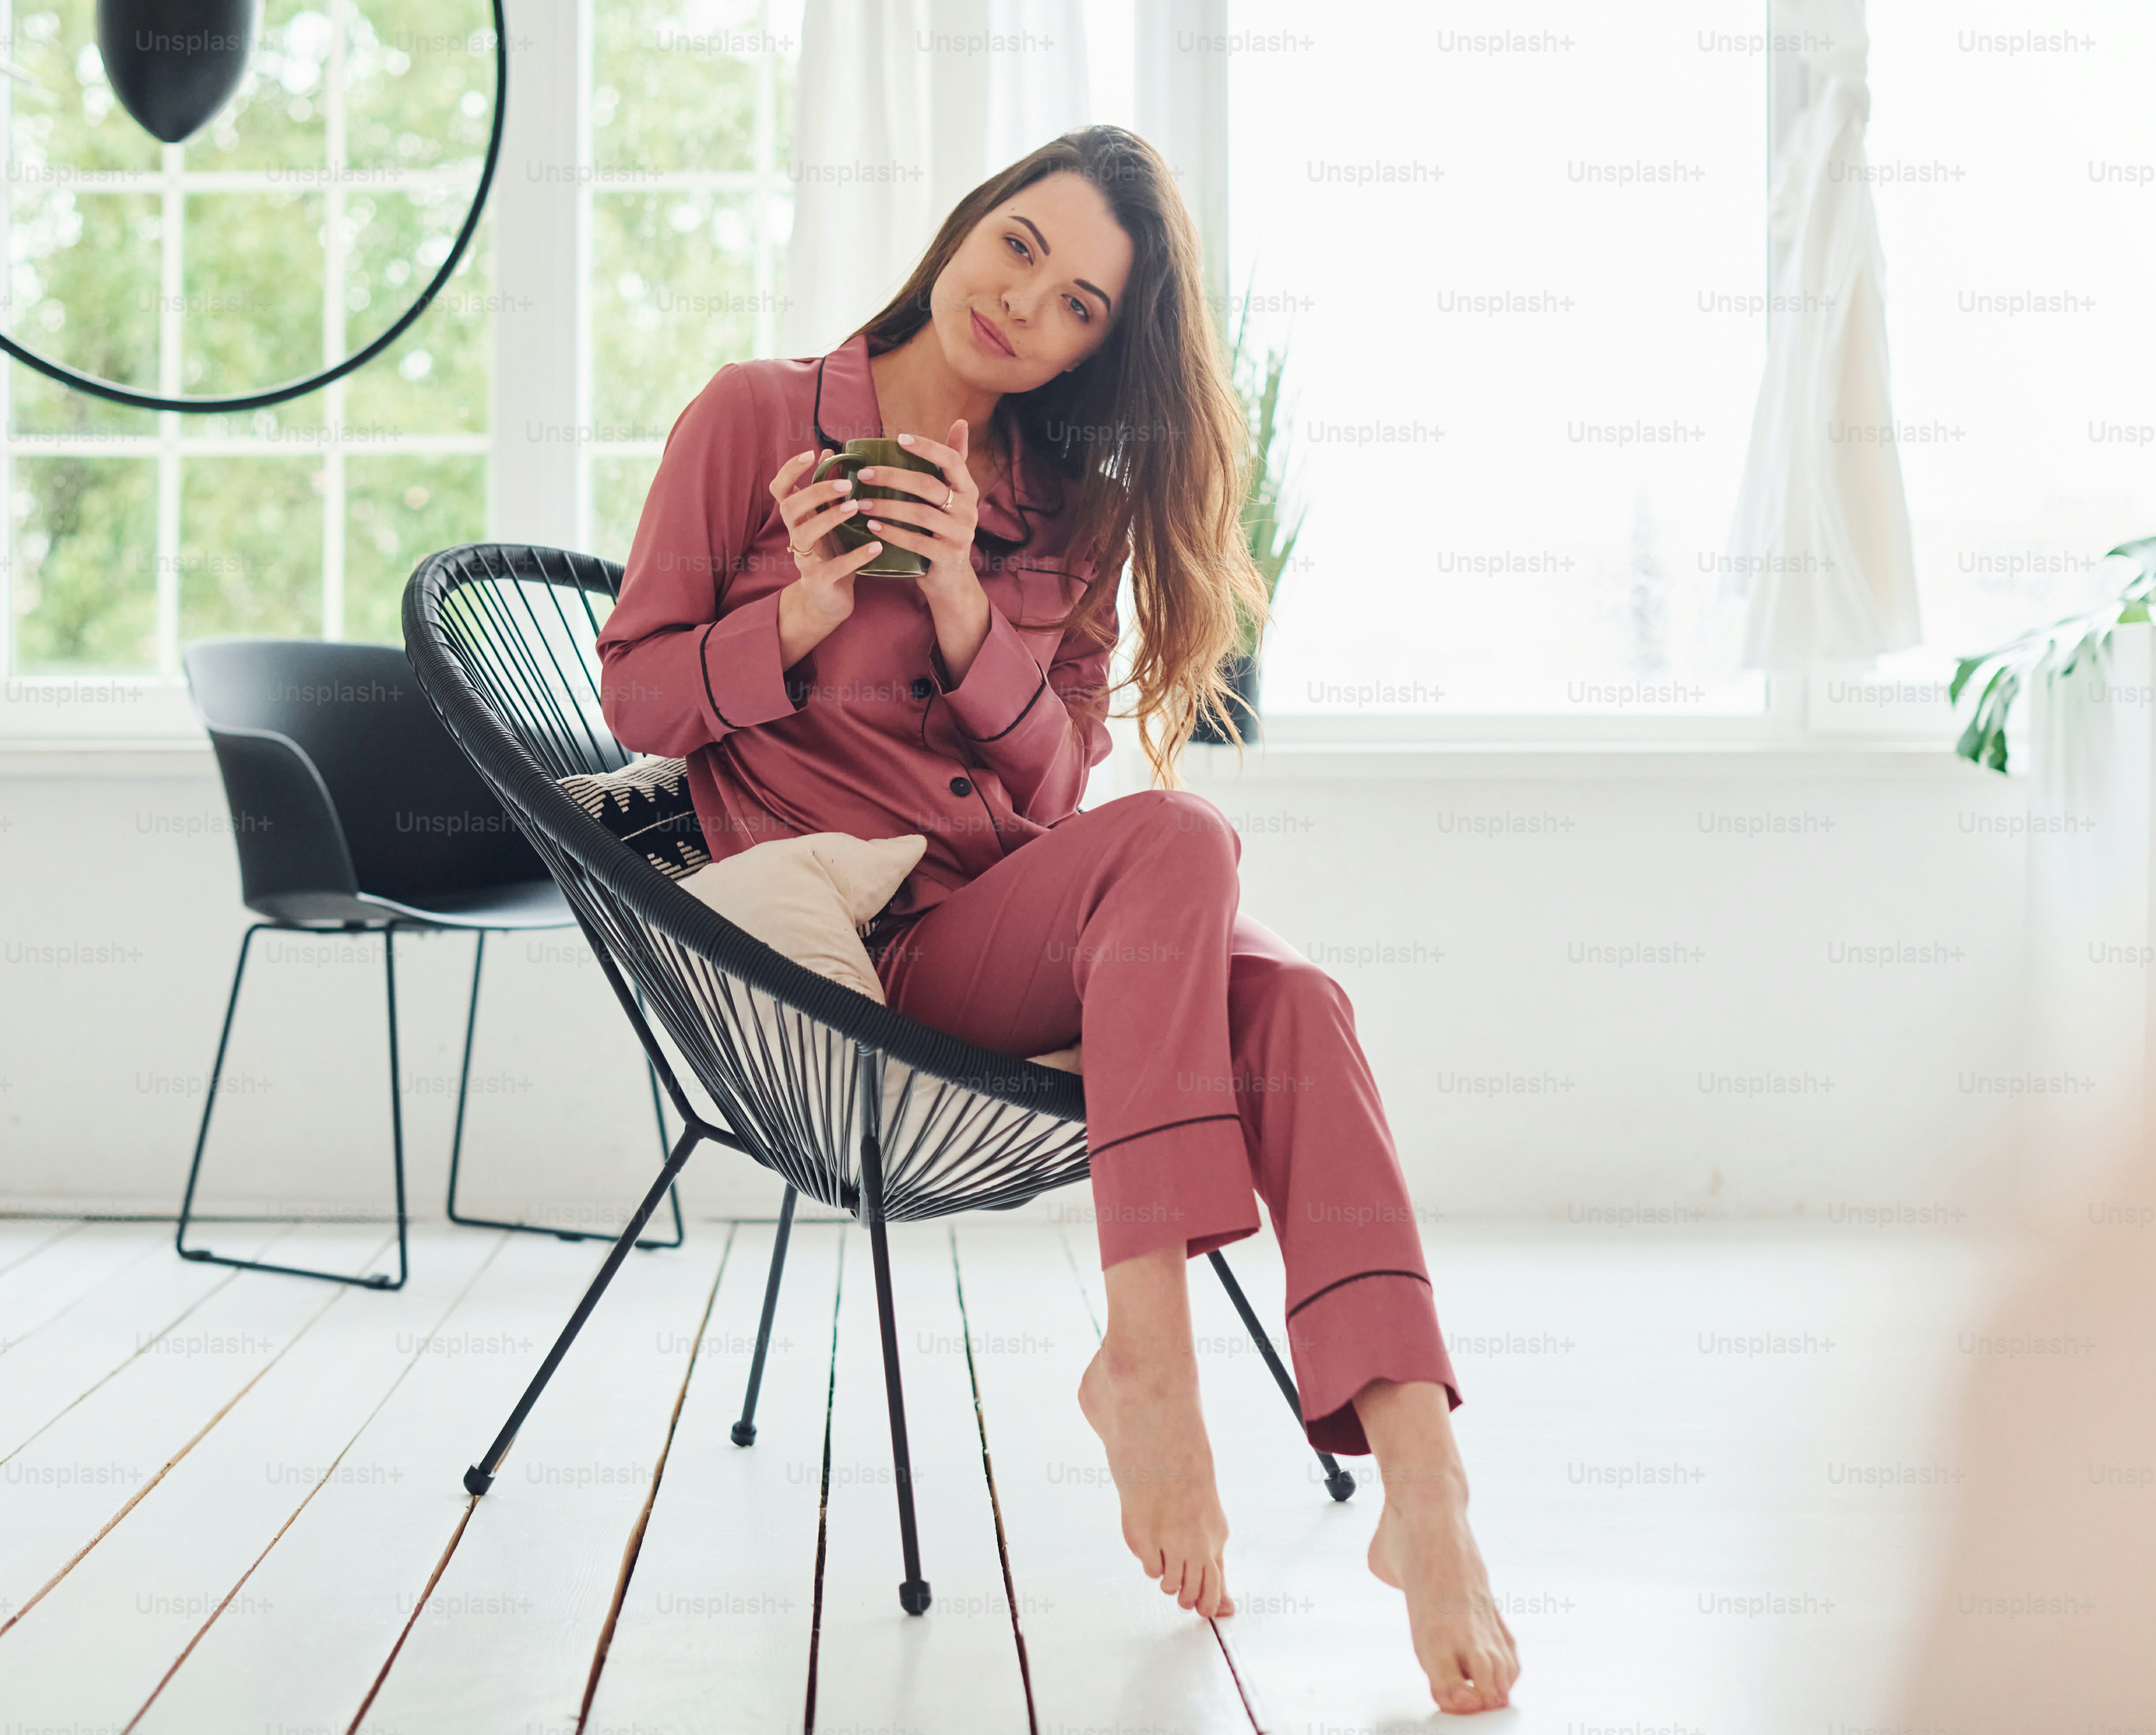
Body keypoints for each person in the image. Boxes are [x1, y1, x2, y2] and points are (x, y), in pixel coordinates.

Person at [596, 124, 1519, 1715]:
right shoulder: (753, 418)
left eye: (1082, 302)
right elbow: (633, 692)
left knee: (1294, 999)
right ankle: (1150, 1352)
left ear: (1098, 345)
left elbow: (1061, 771)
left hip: (1036, 916)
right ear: (967, 225)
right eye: (1020, 245)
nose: (1028, 302)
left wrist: (961, 597)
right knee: (1184, 837)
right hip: (876, 962)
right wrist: (800, 612)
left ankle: (1425, 1488)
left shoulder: (1061, 515)